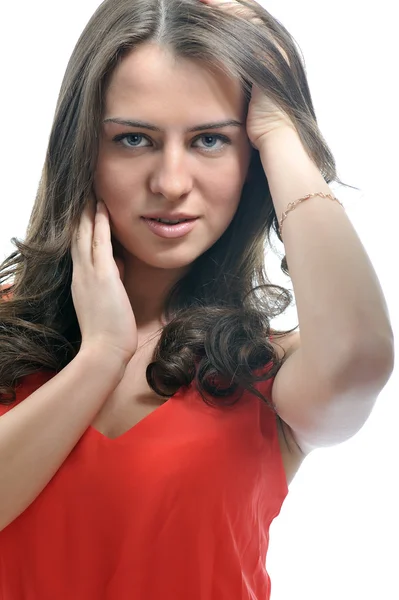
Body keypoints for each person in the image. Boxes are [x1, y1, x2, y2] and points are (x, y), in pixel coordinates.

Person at [0, 0, 394, 598]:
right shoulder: (6, 324)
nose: (171, 183)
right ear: (84, 150)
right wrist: (102, 353)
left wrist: (281, 130)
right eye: (134, 138)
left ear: (252, 164)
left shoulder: (269, 369)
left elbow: (362, 357)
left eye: (211, 140)